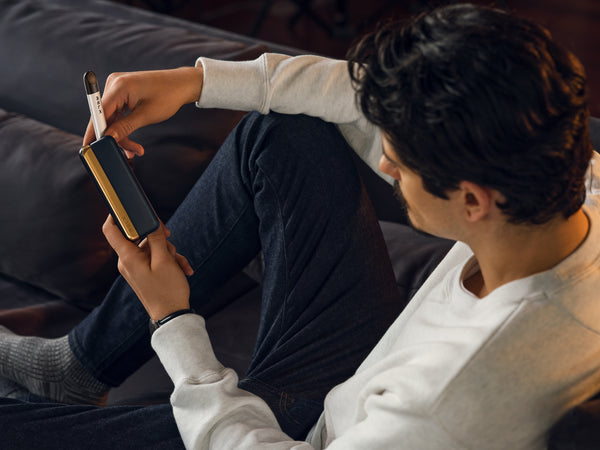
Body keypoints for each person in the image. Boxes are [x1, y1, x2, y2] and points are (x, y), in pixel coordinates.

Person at [1, 3, 599, 448]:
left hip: (314, 436)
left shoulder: (441, 409)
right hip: (366, 372)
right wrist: (196, 82)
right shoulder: (577, 180)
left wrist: (173, 322)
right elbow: (359, 96)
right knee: (287, 129)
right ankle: (79, 369)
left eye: (399, 161)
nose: (383, 164)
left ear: (472, 199)